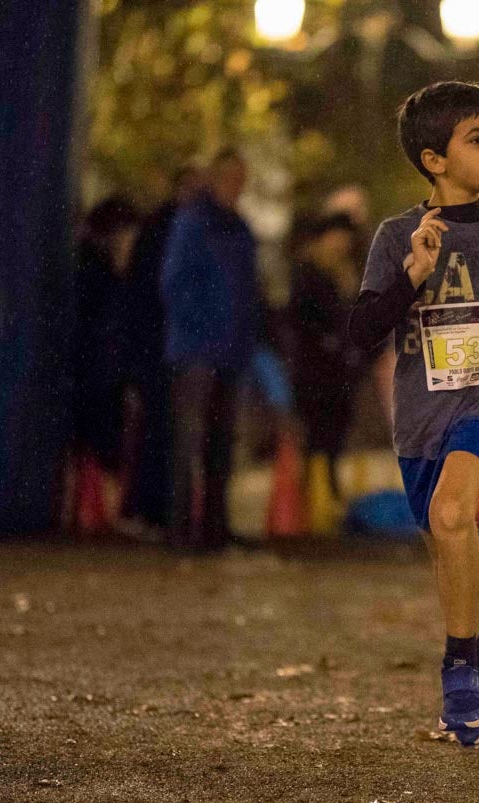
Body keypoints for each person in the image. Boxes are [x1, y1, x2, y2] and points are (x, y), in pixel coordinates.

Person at [347, 81, 479, 747]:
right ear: (434, 160)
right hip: (420, 419)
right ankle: (477, 652)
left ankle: (461, 668)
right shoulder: (395, 237)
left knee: (452, 513)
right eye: (477, 138)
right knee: (443, 533)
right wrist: (412, 276)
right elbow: (360, 332)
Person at [160, 148, 260, 552]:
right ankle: (182, 528)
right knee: (190, 440)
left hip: (229, 352)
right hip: (196, 352)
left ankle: (215, 527)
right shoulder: (194, 223)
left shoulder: (237, 228)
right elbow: (174, 284)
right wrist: (203, 329)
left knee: (219, 442)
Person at [116, 166, 202, 540]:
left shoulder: (164, 229)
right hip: (162, 348)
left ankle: (157, 513)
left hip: (163, 347)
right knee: (159, 432)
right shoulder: (168, 230)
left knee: (162, 433)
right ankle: (153, 513)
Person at [291, 212, 376, 500]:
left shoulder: (349, 274)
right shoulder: (308, 273)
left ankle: (328, 494)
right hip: (315, 370)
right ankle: (313, 496)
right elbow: (301, 321)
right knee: (316, 433)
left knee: (337, 432)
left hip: (343, 370)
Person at [73, 195, 142, 502]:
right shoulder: (99, 271)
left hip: (100, 369)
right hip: (100, 371)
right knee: (101, 441)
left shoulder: (91, 267)